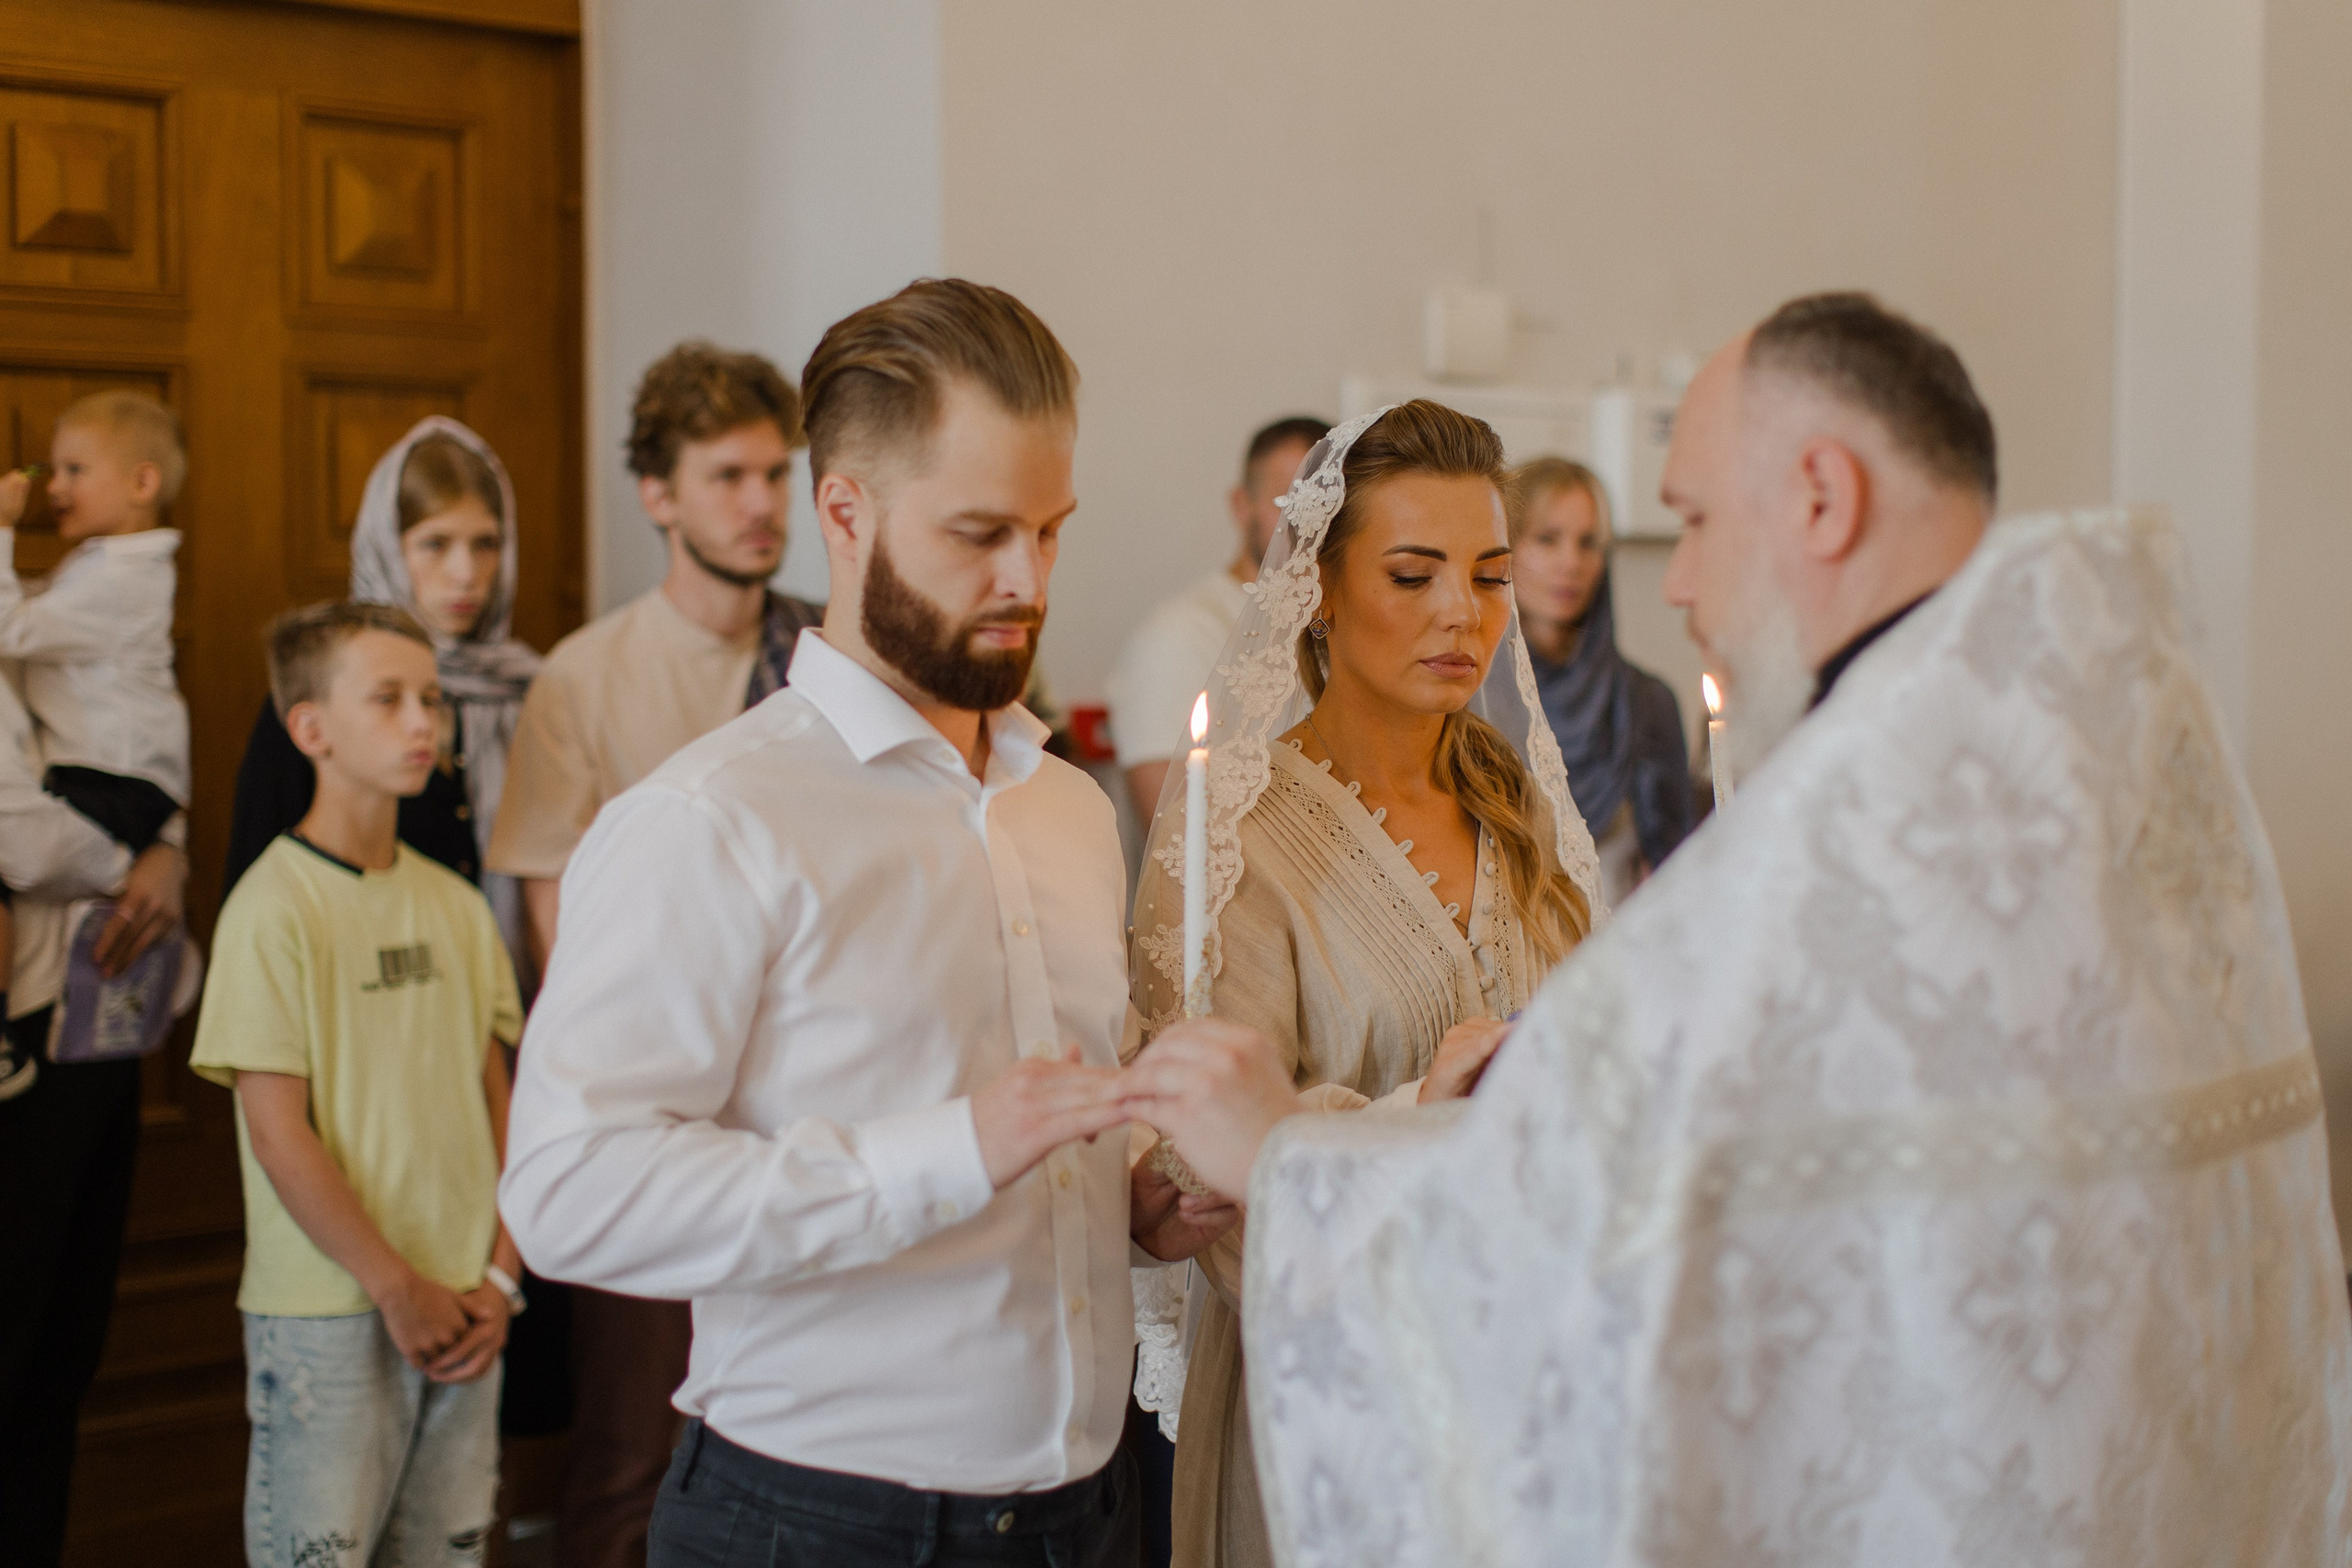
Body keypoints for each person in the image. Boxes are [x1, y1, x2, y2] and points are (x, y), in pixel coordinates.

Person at [1119, 292, 2352, 1564]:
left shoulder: (1857, 814)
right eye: (1419, 572)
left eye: (1695, 519)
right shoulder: (2102, 733)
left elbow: (1677, 1146)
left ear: (1821, 494)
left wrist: (1319, 1154)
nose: (1681, 578)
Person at [501, 278, 1232, 1568]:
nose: (1030, 579)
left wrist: (1132, 1204)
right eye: (981, 532)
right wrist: (945, 1149)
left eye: (1053, 530)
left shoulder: (1065, 808)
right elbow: (568, 1190)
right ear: (843, 511)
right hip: (823, 1517)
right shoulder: (714, 817)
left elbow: (1042, 1137)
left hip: (1087, 1504)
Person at [1125, 401, 1600, 1568]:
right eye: (1412, 574)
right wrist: (1414, 1119)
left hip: (1526, 1366)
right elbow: (1199, 1162)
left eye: (1489, 577)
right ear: (1320, 592)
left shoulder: (1518, 804)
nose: (1462, 613)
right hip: (1333, 1392)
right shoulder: (1235, 835)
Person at [484, 342, 820, 1568]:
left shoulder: (824, 653)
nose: (762, 501)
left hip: (815, 1105)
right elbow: (550, 919)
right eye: (728, 473)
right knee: (631, 1447)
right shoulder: (587, 675)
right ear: (659, 494)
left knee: (800, 1435)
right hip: (662, 1109)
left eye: (775, 472)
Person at [191, 603, 526, 1568]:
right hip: (330, 1315)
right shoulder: (273, 907)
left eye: (431, 699)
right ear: (312, 730)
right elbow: (277, 1132)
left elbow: (503, 1106)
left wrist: (501, 1276)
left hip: (468, 1307)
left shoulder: (457, 906)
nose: (423, 723)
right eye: (387, 700)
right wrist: (393, 1285)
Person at [223, 418, 541, 966]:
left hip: (504, 1005)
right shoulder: (325, 695)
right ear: (386, 550)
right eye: (434, 544)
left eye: (486, 544)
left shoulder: (532, 692)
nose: (466, 573)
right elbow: (257, 892)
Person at [0, 670, 188, 1566]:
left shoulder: (56, 626)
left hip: (77, 1036)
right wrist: (139, 866)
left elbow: (128, 757)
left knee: (55, 1366)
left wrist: (170, 844)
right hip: (22, 1052)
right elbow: (22, 839)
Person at [0, 392, 191, 1094]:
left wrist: (156, 855)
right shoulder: (105, 570)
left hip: (108, 790)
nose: (54, 489)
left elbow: (16, 627)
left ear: (142, 483)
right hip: (101, 813)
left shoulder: (115, 574)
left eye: (74, 470)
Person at [1109, 417, 1329, 826]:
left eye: (1326, 504)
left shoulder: (1339, 626)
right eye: (1289, 502)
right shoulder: (1180, 634)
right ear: (1241, 505)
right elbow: (1174, 823)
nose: (1311, 522)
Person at [1509, 457, 1695, 905]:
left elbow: (1679, 874)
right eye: (1547, 539)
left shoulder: (1646, 701)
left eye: (1589, 543)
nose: (1571, 563)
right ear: (1505, 549)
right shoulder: (1464, 697)